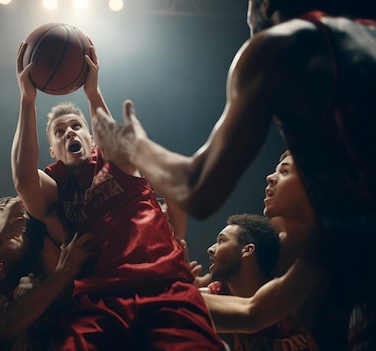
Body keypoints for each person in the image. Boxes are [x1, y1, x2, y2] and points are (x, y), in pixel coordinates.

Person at [91, 1, 376, 349]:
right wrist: (159, 294)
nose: (269, 179)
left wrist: (134, 146)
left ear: (264, 6)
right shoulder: (336, 214)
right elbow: (255, 312)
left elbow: (197, 189)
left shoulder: (281, 45)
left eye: (284, 169)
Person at [12, 42, 224, 350]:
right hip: (97, 299)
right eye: (59, 132)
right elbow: (23, 181)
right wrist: (27, 99)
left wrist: (92, 93)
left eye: (76, 126)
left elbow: (114, 141)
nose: (70, 132)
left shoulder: (116, 161)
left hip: (163, 285)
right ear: (53, 151)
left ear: (91, 136)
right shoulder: (56, 185)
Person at [0, 196, 96, 351]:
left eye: (24, 221)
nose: (16, 219)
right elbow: (1, 329)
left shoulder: (34, 284)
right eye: (2, 211)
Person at [203, 213, 319, 350]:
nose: (210, 249)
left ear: (247, 250)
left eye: (221, 241)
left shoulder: (289, 295)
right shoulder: (207, 298)